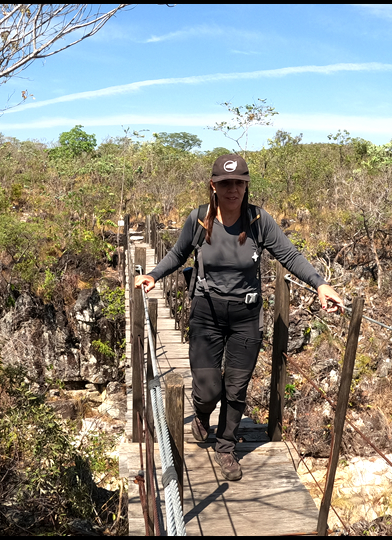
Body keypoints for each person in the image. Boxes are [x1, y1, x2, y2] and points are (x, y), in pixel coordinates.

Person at [133, 153, 342, 481]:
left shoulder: (258, 221)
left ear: (246, 185)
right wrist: (154, 275)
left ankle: (226, 446)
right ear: (213, 185)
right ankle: (202, 414)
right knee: (207, 389)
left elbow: (289, 255)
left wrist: (320, 284)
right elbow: (178, 253)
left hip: (246, 316)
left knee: (236, 388)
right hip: (206, 313)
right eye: (226, 183)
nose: (233, 189)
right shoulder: (199, 219)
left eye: (239, 183)